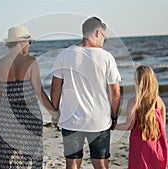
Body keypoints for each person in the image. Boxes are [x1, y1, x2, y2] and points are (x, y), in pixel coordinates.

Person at [50, 17, 121, 169]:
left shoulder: (65, 54)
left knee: (72, 164)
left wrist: (55, 113)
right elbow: (115, 93)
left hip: (71, 119)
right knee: (101, 164)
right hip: (99, 121)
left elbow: (55, 87)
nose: (105, 39)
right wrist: (114, 117)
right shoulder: (106, 57)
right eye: (104, 35)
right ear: (97, 32)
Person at [0, 26, 59, 168]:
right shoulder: (31, 62)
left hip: (6, 119)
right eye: (29, 42)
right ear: (21, 42)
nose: (29, 45)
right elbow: (39, 92)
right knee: (31, 160)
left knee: (7, 162)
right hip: (29, 118)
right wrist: (54, 113)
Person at [115, 65, 168, 169]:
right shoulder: (159, 101)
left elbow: (128, 126)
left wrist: (112, 126)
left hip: (139, 145)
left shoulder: (134, 102)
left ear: (139, 82)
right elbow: (163, 128)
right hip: (156, 145)